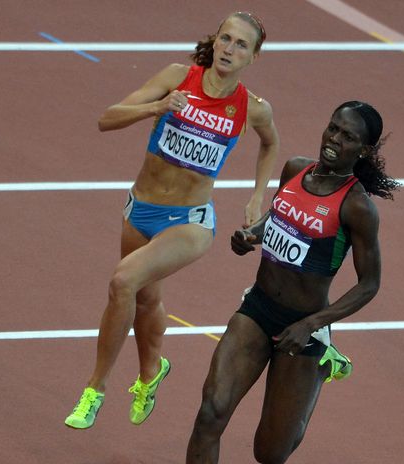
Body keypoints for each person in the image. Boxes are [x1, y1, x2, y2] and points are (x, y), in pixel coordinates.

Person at [64, 11, 280, 429]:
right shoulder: (177, 77)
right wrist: (158, 106)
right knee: (145, 299)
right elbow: (107, 118)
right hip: (140, 209)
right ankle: (152, 372)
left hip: (190, 221)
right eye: (226, 39)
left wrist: (258, 195)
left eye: (241, 45)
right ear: (215, 40)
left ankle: (94, 390)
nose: (230, 49)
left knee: (123, 281)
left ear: (253, 56)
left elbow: (270, 144)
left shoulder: (252, 108)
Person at [186, 101, 398, 464]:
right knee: (210, 413)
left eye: (347, 136)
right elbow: (278, 214)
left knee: (269, 453)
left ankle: (324, 363)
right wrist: (252, 235)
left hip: (303, 329)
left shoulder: (357, 207)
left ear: (363, 150)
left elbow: (369, 284)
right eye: (333, 128)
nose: (334, 139)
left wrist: (312, 324)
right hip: (257, 309)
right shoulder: (296, 169)